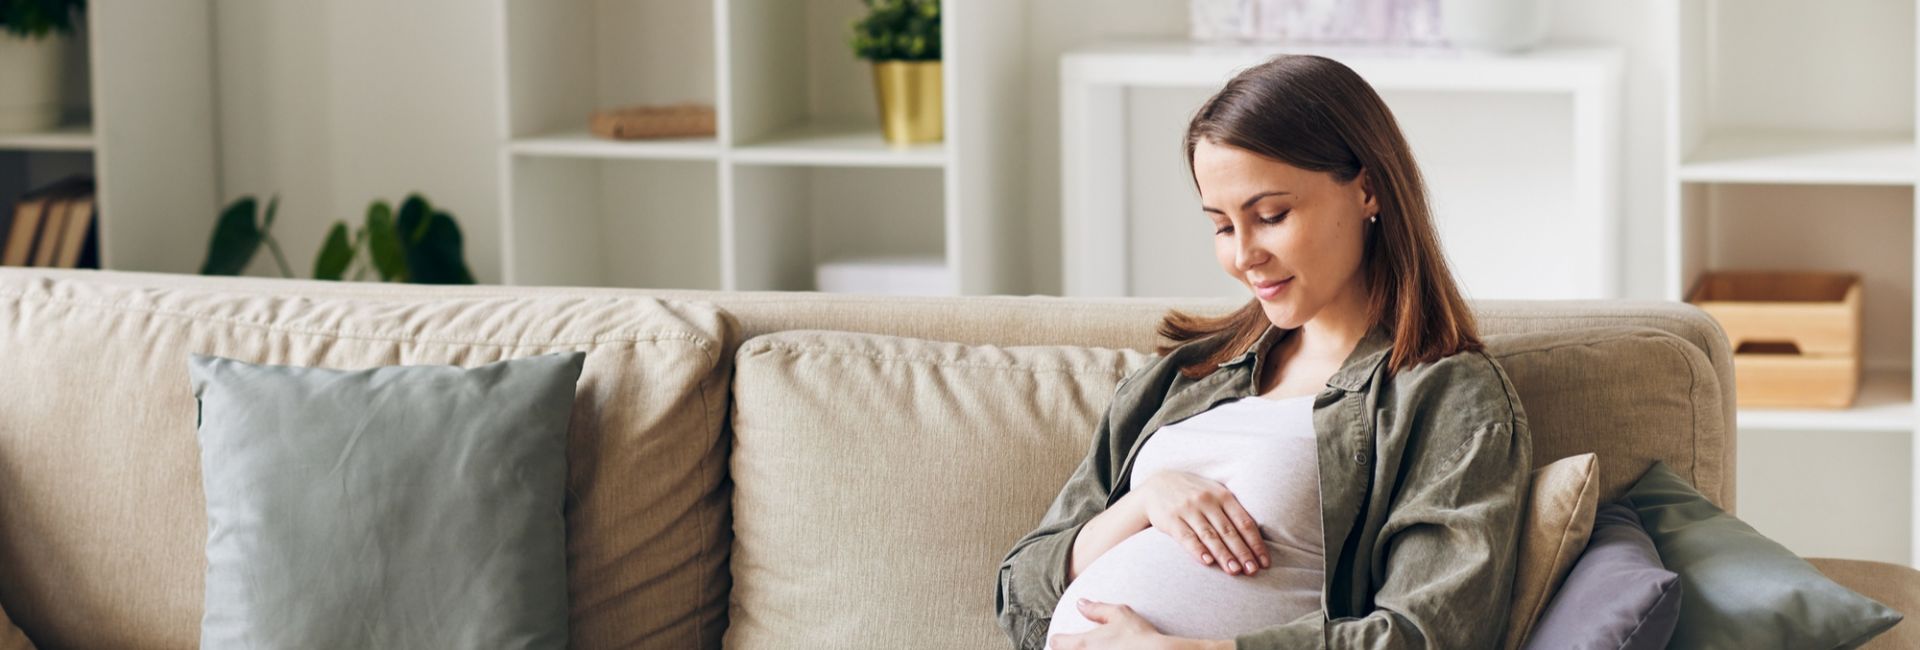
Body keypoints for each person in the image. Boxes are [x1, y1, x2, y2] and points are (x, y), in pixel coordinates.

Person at [994, 54, 1534, 650]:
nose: (1244, 254)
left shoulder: (1444, 394)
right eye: (1223, 226)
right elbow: (1020, 587)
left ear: (1369, 190)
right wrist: (1146, 501)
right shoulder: (1182, 378)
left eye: (1271, 216)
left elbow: (1428, 633)